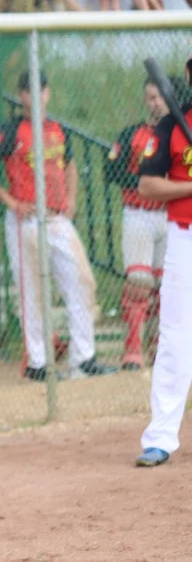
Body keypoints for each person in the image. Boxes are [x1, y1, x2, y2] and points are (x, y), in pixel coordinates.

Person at [0, 71, 117, 381]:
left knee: (82, 283)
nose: (35, 96)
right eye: (28, 91)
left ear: (47, 93)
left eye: (40, 89)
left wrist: (72, 198)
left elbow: (71, 163)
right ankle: (37, 363)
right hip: (27, 220)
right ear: (21, 95)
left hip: (57, 218)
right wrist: (9, 201)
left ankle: (83, 358)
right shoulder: (10, 130)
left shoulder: (57, 130)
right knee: (32, 290)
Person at [134, 57, 192, 467]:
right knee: (175, 335)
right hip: (184, 238)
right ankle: (160, 437)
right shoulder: (172, 125)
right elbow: (148, 184)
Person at [106, 78, 170, 370]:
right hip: (139, 212)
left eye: (159, 97)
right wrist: (146, 183)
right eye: (151, 97)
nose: (155, 103)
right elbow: (112, 169)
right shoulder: (133, 134)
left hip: (171, 215)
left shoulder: (181, 135)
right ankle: (133, 351)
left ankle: (159, 347)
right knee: (140, 281)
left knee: (166, 284)